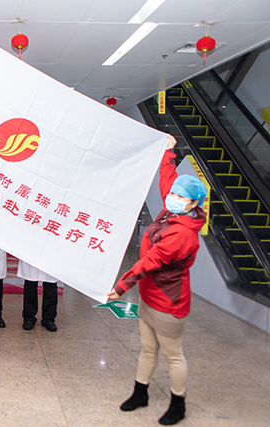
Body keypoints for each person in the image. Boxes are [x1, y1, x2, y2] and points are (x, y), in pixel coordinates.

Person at [107, 135, 207, 426]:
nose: (173, 197)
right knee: (148, 349)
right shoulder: (170, 212)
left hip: (169, 302)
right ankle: (141, 393)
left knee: (173, 356)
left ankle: (179, 403)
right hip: (150, 297)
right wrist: (168, 153)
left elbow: (150, 261)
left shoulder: (183, 233)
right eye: (174, 194)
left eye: (181, 197)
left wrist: (121, 286)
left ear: (194, 204)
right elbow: (168, 181)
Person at [17, 260, 58, 332]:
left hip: (50, 257)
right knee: (30, 285)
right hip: (32, 257)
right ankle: (29, 318)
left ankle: (49, 319)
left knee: (50, 287)